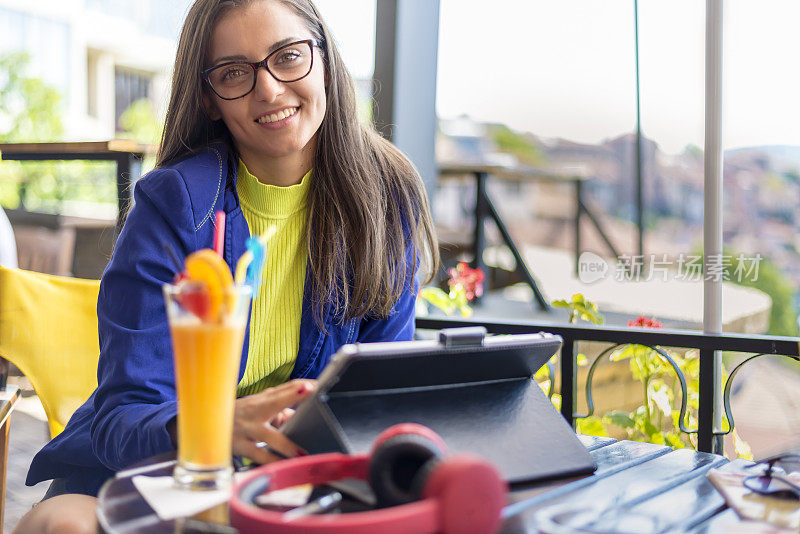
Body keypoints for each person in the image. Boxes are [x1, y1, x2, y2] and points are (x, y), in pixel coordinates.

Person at [14, 0, 438, 532]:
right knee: (61, 526)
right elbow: (123, 416)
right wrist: (209, 427)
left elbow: (380, 398)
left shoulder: (382, 201)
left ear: (325, 59)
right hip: (149, 475)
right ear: (210, 99)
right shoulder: (174, 205)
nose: (268, 88)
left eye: (287, 56)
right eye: (235, 72)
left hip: (287, 489)